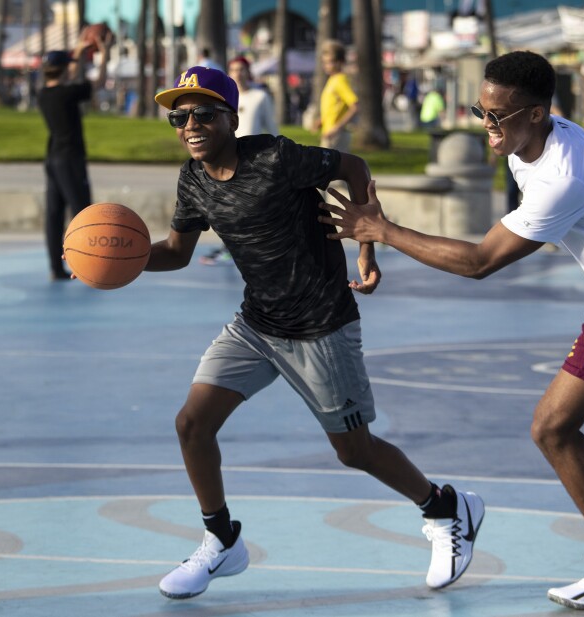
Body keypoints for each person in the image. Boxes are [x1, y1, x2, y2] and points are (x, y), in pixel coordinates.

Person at [319, 50, 584, 611]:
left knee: (552, 428)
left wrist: (383, 229)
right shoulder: (525, 142)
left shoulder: (561, 176)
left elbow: (481, 261)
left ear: (538, 113)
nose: (486, 125)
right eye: (482, 110)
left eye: (498, 116)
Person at [147, 66, 485, 600]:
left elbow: (353, 164)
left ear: (232, 119)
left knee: (355, 451)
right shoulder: (193, 180)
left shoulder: (277, 158)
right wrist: (115, 262)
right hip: (257, 325)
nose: (190, 124)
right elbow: (176, 252)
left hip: (321, 325)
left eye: (203, 113)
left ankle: (446, 508)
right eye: (179, 115)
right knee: (192, 423)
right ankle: (222, 539)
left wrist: (367, 243)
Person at [38, 30, 111, 280]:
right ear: (62, 69)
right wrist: (105, 54)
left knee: (54, 215)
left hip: (52, 160)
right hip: (70, 159)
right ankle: (89, 266)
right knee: (82, 213)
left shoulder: (44, 94)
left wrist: (77, 52)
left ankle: (56, 269)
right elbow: (99, 82)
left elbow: (63, 75)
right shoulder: (68, 93)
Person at [199, 56, 280, 267]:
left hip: (253, 161)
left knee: (251, 208)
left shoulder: (260, 97)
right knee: (226, 207)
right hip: (226, 159)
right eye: (234, 70)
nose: (238, 73)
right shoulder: (224, 100)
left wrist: (275, 155)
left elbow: (272, 128)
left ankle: (248, 249)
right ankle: (230, 248)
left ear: (248, 72)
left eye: (242, 69)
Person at [317, 40, 359, 152]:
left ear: (340, 62)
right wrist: (321, 121)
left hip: (336, 136)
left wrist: (336, 128)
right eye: (324, 62)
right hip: (329, 133)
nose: (325, 66)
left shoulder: (341, 80)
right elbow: (335, 106)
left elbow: (355, 106)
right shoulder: (333, 80)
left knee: (330, 168)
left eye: (329, 62)